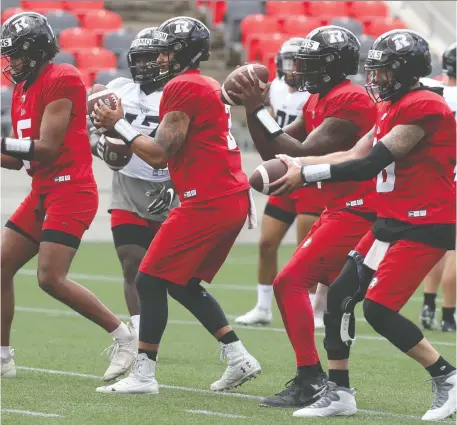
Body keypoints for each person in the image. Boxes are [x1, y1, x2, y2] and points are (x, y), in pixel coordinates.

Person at [273, 30, 456, 421]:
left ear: (406, 72)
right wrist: (299, 164)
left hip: (425, 221)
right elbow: (353, 152)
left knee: (378, 310)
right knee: (339, 297)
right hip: (392, 218)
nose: (376, 79)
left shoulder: (424, 105)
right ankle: (339, 393)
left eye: (385, 72)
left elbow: (370, 164)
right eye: (374, 71)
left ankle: (448, 377)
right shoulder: (395, 104)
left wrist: (308, 174)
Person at [92, 17, 261, 394]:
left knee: (149, 279)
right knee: (182, 283)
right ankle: (239, 357)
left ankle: (144, 375)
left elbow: (158, 154)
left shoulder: (183, 84)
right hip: (226, 196)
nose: (161, 57)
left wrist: (119, 125)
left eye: (168, 50)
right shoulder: (203, 82)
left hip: (208, 200)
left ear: (184, 53)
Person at [229, 26, 377, 408]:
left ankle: (314, 379)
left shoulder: (351, 100)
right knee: (337, 301)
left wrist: (258, 110)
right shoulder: (318, 100)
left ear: (332, 67)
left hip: (359, 211)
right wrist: (252, 110)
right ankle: (329, 383)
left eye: (309, 64)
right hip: (340, 209)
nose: (299, 71)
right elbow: (275, 154)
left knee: (292, 282)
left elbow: (299, 152)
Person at [0, 12, 136, 380]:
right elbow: (16, 158)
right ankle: (2, 359)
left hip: (71, 189)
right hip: (43, 191)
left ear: (36, 50)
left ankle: (124, 338)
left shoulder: (63, 78)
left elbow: (45, 148)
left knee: (50, 278)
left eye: (15, 54)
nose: (10, 62)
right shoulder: (22, 89)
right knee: (1, 265)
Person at [90, 27, 179, 336]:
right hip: (128, 184)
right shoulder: (117, 89)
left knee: (169, 274)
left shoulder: (180, 92)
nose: (142, 66)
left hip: (172, 187)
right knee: (132, 262)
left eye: (149, 58)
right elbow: (92, 131)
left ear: (167, 58)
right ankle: (142, 332)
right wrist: (101, 146)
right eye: (137, 59)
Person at [234, 37, 327, 328]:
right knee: (266, 243)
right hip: (285, 168)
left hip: (309, 177)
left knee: (307, 251)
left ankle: (315, 308)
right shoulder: (274, 88)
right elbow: (275, 122)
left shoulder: (314, 94)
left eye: (298, 63)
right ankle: (263, 307)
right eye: (289, 62)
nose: (294, 69)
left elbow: (305, 139)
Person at [419, 42, 456, 333]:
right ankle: (448, 314)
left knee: (439, 247)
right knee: (454, 250)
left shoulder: (434, 92)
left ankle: (428, 304)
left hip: (437, 176)